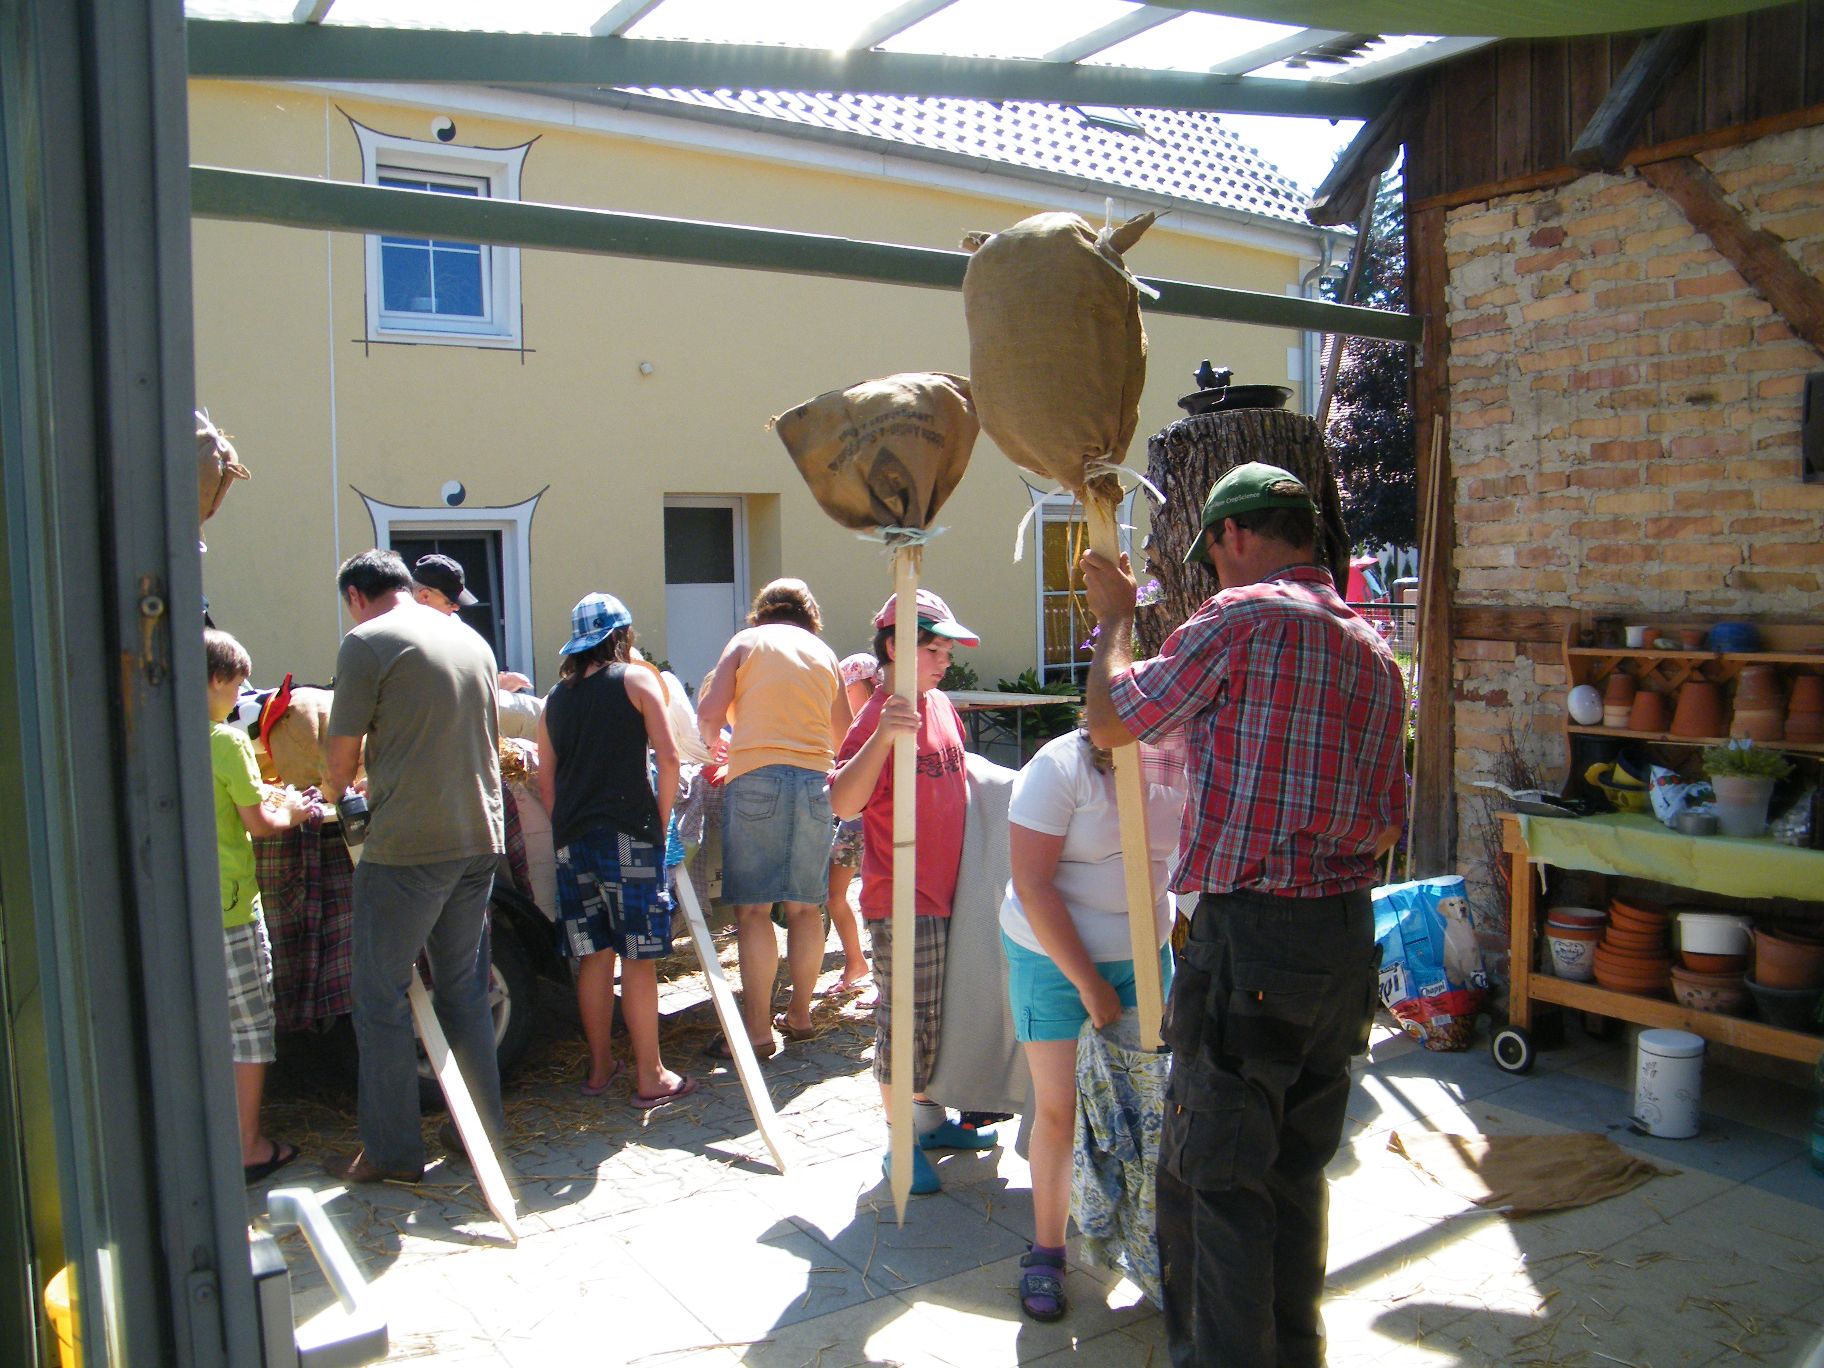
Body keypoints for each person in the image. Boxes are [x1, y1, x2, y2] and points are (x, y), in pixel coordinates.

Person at [1080, 463, 1408, 1368]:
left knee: (1215, 1183)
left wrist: (1116, 621)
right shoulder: (1373, 647)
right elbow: (1389, 819)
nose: (1214, 573)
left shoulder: (1243, 617)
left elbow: (1110, 720)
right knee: (1295, 1175)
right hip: (1341, 937)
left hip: (1253, 937)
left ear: (1234, 535)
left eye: (1214, 554)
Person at [323, 549, 507, 1185]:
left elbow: (340, 758)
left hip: (410, 845)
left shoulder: (366, 642)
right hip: (479, 834)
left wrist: (333, 791)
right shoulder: (470, 639)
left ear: (356, 595)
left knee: (378, 996)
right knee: (464, 991)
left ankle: (393, 1153)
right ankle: (479, 1133)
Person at [1001, 725, 1187, 1321]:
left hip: (1144, 956)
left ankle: (1147, 1240)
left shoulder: (1186, 760)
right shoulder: (1060, 766)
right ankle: (1048, 1252)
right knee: (1060, 1110)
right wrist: (1088, 982)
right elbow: (1032, 883)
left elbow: (1187, 865)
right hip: (1052, 957)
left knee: (1151, 1109)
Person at [830, 589, 996, 1194]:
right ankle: (898, 1144)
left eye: (948, 652)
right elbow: (843, 801)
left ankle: (928, 1121)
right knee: (907, 1023)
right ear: (896, 647)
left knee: (941, 1018)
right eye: (934, 649)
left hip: (954, 891)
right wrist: (882, 737)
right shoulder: (879, 713)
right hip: (904, 899)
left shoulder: (941, 705)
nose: (945, 662)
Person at [537, 594, 695, 1107]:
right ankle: (651, 1076)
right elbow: (669, 759)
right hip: (629, 835)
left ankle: (601, 1067)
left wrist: (568, 829)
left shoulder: (554, 701)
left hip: (573, 841)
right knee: (638, 958)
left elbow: (546, 782)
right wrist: (661, 822)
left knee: (593, 957)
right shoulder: (637, 680)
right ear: (621, 635)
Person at [696, 579, 851, 1057]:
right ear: (810, 617)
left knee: (754, 911)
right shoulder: (825, 654)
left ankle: (758, 1032)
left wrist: (713, 744)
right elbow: (844, 734)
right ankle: (800, 1015)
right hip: (815, 784)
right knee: (805, 908)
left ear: (761, 612)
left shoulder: (746, 642)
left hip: (756, 777)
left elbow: (709, 713)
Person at [204, 628, 317, 1183]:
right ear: (216, 680)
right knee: (248, 1029)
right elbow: (260, 822)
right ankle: (247, 1146)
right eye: (236, 685)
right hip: (231, 908)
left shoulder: (158, 736)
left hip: (183, 907)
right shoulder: (225, 742)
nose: (238, 698)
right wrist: (294, 810)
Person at [824, 651, 881, 996]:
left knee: (880, 899)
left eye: (849, 688)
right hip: (853, 821)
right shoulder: (850, 723)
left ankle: (884, 984)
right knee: (834, 894)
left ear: (869, 684)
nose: (844, 696)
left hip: (876, 820)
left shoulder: (878, 719)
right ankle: (856, 962)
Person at [411, 552, 534, 697]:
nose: (457, 608)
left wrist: (497, 682)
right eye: (450, 602)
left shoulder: (453, 625)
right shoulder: (402, 632)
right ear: (425, 596)